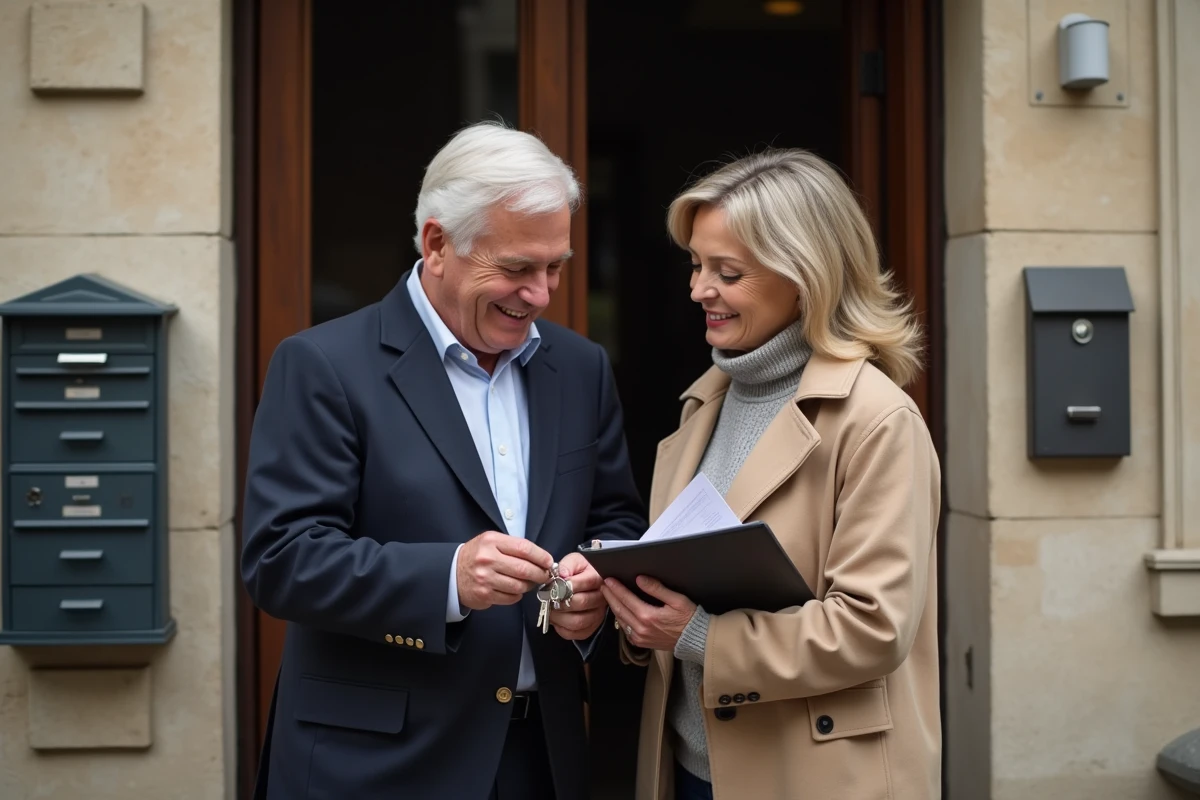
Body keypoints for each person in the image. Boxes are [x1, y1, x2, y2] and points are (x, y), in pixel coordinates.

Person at [241, 120, 645, 800]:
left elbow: (615, 520)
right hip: (373, 767)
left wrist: (596, 590)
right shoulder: (323, 365)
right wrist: (448, 577)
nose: (541, 294)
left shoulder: (580, 367)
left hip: (538, 757)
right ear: (436, 244)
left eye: (555, 268)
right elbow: (281, 561)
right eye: (517, 268)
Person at [600, 149, 942, 800]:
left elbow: (872, 628)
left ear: (804, 276)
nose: (699, 289)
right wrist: (628, 604)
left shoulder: (878, 421)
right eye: (697, 266)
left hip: (810, 777)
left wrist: (698, 634)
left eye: (726, 271)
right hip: (692, 771)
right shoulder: (703, 404)